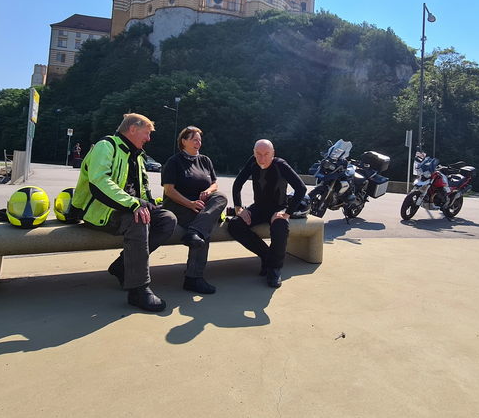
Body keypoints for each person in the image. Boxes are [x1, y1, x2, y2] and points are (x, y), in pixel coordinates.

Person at [71, 113, 179, 312]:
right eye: (146, 134)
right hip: (99, 211)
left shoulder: (136, 155)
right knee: (138, 219)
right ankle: (138, 289)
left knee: (167, 220)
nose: (148, 139)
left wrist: (150, 204)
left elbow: (141, 190)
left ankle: (121, 266)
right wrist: (133, 205)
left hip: (128, 208)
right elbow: (99, 182)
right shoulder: (106, 146)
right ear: (132, 129)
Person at [229, 139, 307, 288]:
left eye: (266, 154)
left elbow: (301, 189)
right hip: (258, 207)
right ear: (254, 153)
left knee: (280, 227)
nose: (262, 159)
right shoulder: (252, 162)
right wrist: (239, 208)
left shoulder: (281, 165)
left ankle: (274, 269)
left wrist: (287, 214)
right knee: (234, 225)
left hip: (279, 208)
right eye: (258, 154)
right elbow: (238, 183)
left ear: (273, 153)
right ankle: (266, 256)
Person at [161, 126, 228, 295]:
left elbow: (215, 183)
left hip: (202, 206)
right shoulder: (174, 162)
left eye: (199, 140)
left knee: (221, 197)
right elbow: (169, 191)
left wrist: (209, 191)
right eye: (194, 139)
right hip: (179, 205)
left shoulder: (205, 160)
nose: (199, 143)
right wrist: (190, 203)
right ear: (184, 142)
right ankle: (194, 278)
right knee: (203, 231)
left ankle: (194, 232)